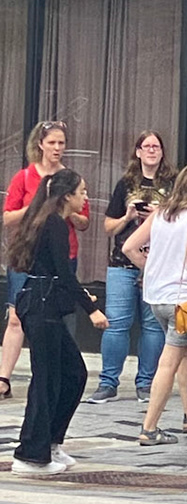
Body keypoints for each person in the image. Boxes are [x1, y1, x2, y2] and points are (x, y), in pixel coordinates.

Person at [5, 169, 106, 471]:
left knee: (73, 373)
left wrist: (82, 298)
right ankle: (30, 454)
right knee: (46, 379)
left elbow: (58, 273)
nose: (85, 197)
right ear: (67, 196)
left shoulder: (51, 222)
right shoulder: (54, 224)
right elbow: (64, 273)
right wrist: (92, 311)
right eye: (82, 192)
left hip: (43, 303)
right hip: (41, 305)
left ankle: (50, 442)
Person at [122, 165, 187, 448]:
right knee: (169, 361)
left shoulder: (160, 214)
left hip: (157, 297)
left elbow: (129, 247)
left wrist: (153, 268)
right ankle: (149, 428)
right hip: (185, 300)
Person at [0, 119, 87, 401]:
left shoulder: (70, 180)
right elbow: (8, 217)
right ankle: (4, 377)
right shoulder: (24, 177)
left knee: (60, 317)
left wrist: (64, 208)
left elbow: (84, 221)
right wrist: (39, 205)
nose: (57, 148)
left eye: (61, 143)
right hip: (29, 256)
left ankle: (55, 370)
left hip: (62, 253)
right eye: (52, 143)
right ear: (40, 145)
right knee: (16, 316)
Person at [89, 130, 172, 404]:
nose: (151, 151)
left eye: (156, 146)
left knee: (152, 324)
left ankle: (146, 383)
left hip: (157, 263)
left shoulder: (172, 184)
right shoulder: (125, 184)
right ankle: (108, 382)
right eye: (146, 146)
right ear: (137, 152)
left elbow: (183, 222)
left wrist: (159, 217)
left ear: (162, 152)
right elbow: (108, 226)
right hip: (122, 263)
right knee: (117, 323)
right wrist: (128, 216)